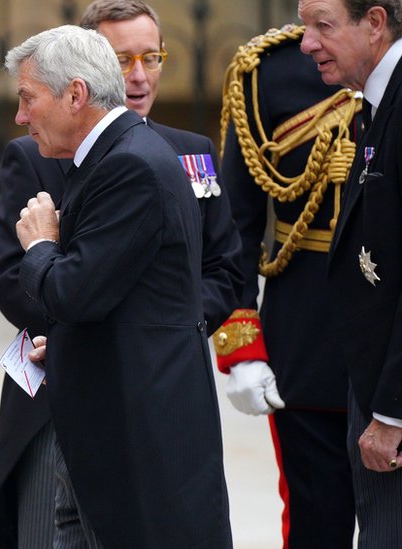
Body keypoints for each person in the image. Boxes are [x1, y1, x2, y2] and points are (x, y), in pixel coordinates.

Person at [0, 2, 243, 546]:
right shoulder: (111, 155)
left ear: (75, 94)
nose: (21, 116)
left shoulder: (130, 163)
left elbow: (73, 290)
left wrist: (41, 245)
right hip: (97, 407)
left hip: (137, 426)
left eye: (28, 99)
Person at [217, 23, 361, 548]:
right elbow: (234, 224)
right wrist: (242, 349)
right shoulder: (271, 69)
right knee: (314, 526)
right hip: (307, 340)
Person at [297, 0, 402, 545]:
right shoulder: (375, 103)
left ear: (376, 22)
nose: (306, 42)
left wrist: (391, 412)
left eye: (323, 25)